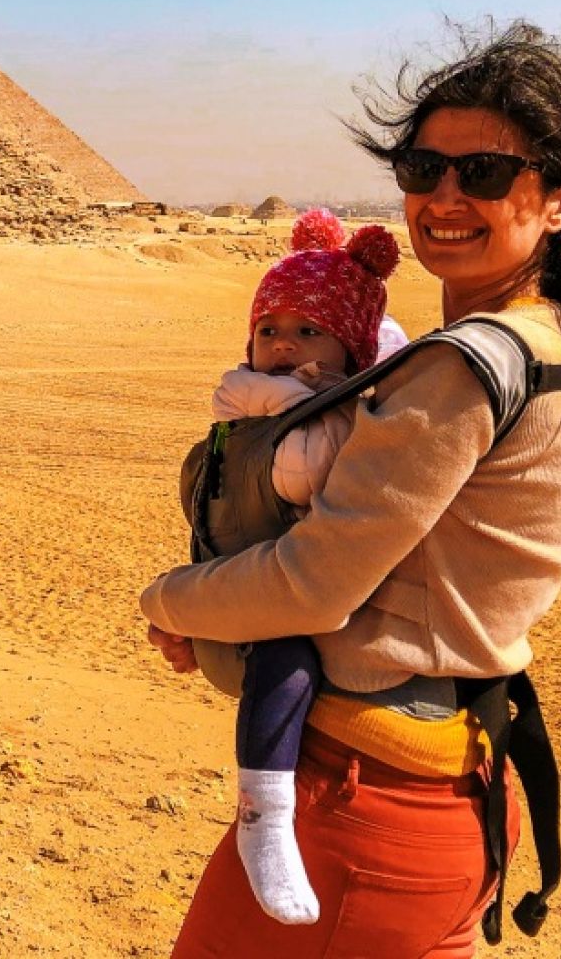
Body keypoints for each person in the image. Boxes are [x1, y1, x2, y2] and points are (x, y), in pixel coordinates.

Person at [142, 21, 561, 958]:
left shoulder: (462, 365)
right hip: (457, 791)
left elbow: (313, 584)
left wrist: (169, 599)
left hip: (366, 804)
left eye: (485, 173)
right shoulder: (553, 343)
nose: (445, 197)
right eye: (424, 169)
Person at [180, 208, 401, 925]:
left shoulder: (322, 401)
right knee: (290, 659)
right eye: (269, 330)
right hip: (267, 602)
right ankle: (264, 814)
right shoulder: (272, 405)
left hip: (282, 584)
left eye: (309, 331)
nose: (283, 344)